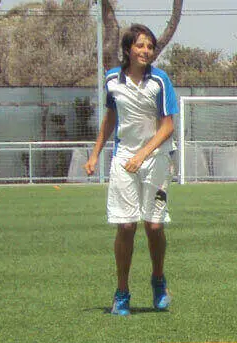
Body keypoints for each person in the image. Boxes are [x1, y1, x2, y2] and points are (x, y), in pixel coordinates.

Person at [83, 24, 181, 316]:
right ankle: (122, 292)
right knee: (125, 225)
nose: (146, 51)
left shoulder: (160, 81)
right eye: (140, 46)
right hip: (124, 158)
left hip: (157, 160)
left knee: (153, 226)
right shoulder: (112, 80)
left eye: (149, 47)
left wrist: (143, 154)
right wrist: (95, 153)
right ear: (128, 49)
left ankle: (158, 281)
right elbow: (110, 118)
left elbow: (168, 126)